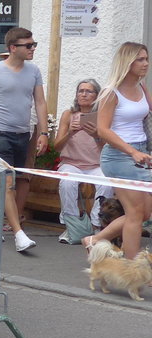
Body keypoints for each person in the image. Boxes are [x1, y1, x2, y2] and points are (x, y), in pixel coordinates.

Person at [0, 27, 48, 253]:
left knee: (6, 180)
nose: (33, 48)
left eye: (34, 44)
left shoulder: (33, 71)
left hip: (22, 134)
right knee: (8, 182)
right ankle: (18, 233)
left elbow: (40, 103)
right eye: (28, 45)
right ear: (13, 48)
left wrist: (43, 133)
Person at [93, 42, 152, 259]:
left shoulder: (141, 86)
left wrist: (139, 152)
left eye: (146, 58)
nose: (145, 63)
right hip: (119, 156)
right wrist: (131, 152)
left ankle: (96, 239)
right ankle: (132, 267)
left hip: (141, 153)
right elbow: (103, 129)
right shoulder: (111, 92)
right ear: (127, 62)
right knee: (136, 214)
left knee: (144, 213)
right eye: (140, 59)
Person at [53, 78, 111, 242]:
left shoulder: (102, 116)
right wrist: (70, 133)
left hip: (96, 164)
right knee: (67, 183)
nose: (84, 94)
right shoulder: (69, 114)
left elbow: (109, 147)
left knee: (106, 182)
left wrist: (96, 135)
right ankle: (71, 226)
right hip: (71, 163)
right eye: (81, 91)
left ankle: (96, 225)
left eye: (89, 91)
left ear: (97, 96)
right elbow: (57, 146)